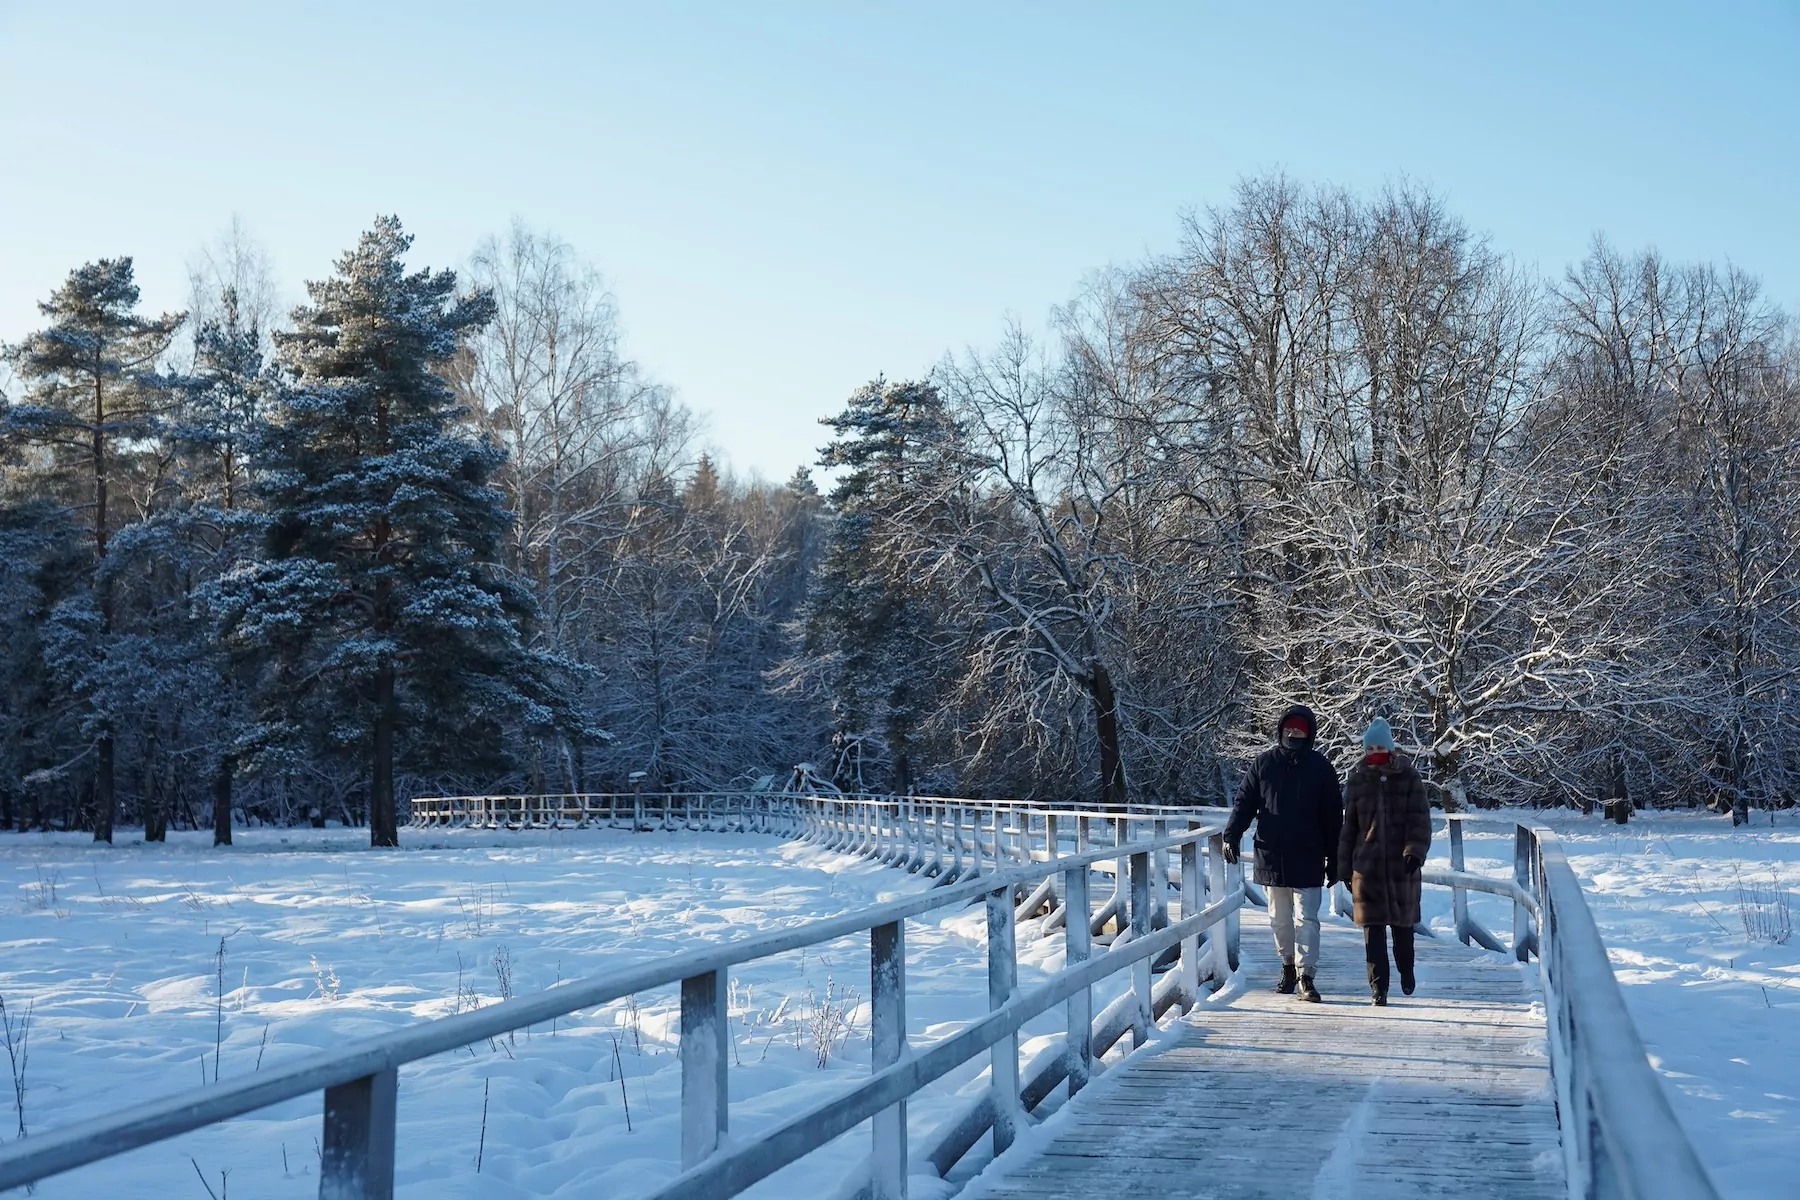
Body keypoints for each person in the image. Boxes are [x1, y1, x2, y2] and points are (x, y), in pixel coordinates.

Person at [1224, 704, 1344, 1003]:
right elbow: (1244, 803)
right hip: (1272, 853)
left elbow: (1332, 818)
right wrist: (1232, 834)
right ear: (1280, 730)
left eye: (1300, 729)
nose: (1293, 733)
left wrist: (1336, 858)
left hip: (1309, 853)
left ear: (1309, 733)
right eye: (1289, 728)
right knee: (1279, 918)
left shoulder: (1321, 768)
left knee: (1307, 919)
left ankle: (1307, 975)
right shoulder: (1264, 764)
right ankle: (1287, 966)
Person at [1337, 717, 1432, 1006]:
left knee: (1403, 931)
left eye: (1380, 746)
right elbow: (1349, 827)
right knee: (1373, 934)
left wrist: (1414, 851)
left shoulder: (1409, 777)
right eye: (1370, 747)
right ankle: (1379, 988)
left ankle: (1406, 970)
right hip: (1367, 868)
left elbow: (1420, 818)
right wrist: (1343, 866)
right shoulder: (1357, 780)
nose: (1375, 752)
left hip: (1402, 868)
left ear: (1391, 748)